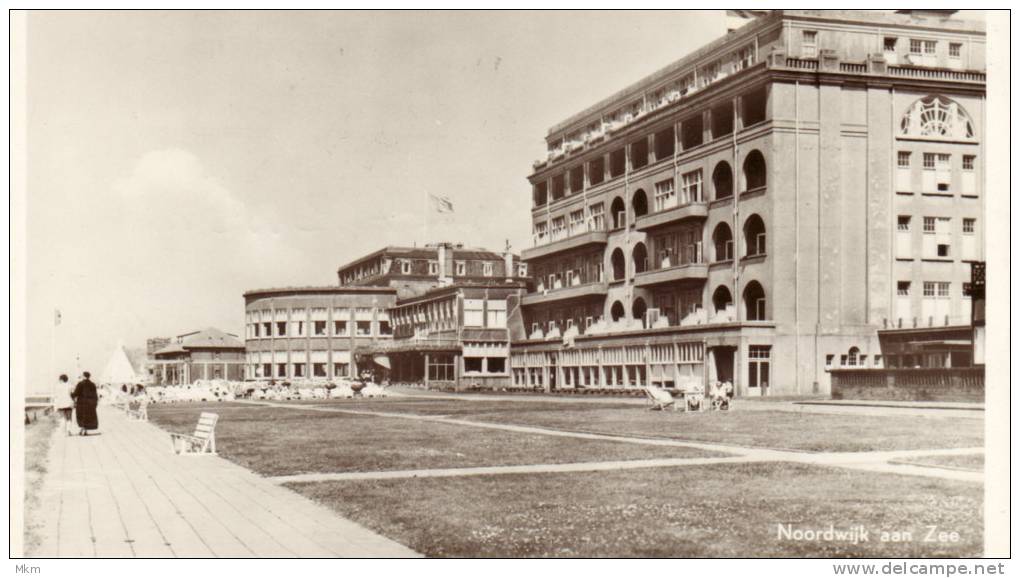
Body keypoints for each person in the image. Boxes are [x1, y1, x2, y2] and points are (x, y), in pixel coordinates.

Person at [71, 371, 99, 436]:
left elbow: (76, 393)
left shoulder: (80, 384)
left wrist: (71, 394)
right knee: (88, 416)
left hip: (82, 402)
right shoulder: (92, 384)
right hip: (90, 403)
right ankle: (84, 430)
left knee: (81, 415)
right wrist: (95, 403)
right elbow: (95, 394)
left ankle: (83, 430)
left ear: (84, 376)